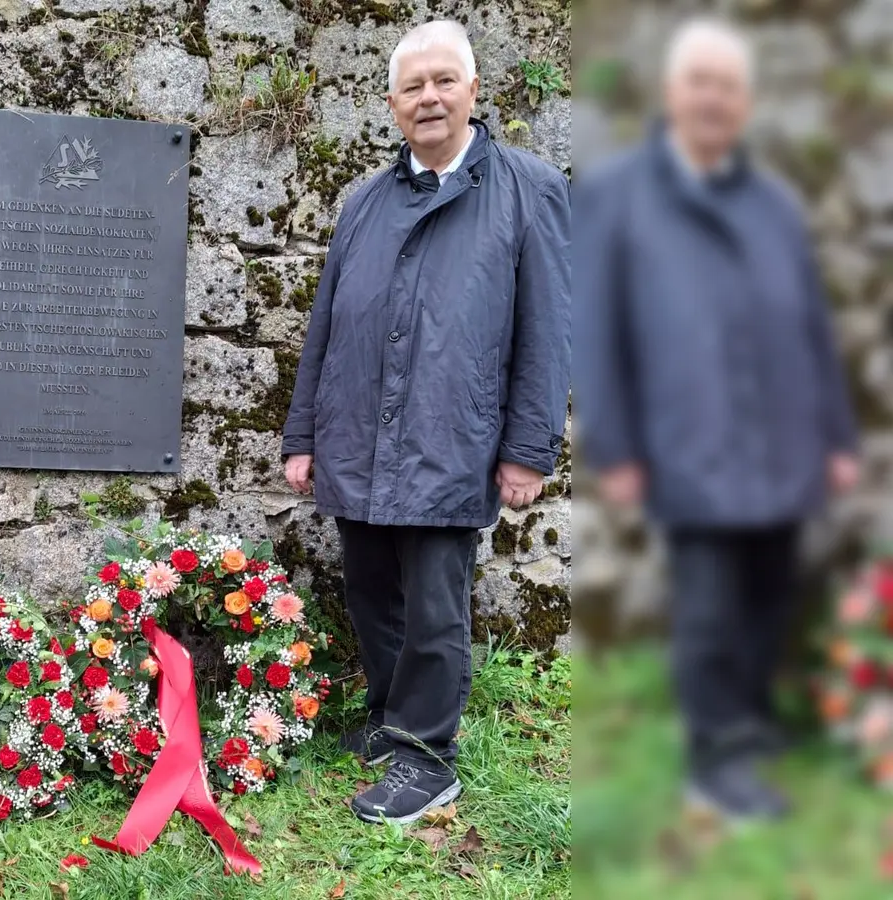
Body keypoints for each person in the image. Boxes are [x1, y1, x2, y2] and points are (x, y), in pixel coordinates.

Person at [281, 20, 571, 824]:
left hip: (453, 436)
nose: (430, 97)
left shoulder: (530, 189)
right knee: (372, 590)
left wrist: (527, 449)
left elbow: (549, 332)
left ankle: (427, 756)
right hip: (357, 435)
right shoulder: (366, 202)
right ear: (391, 104)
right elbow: (327, 327)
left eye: (445, 80)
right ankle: (388, 720)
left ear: (475, 90)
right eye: (413, 87)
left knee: (436, 608)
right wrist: (302, 435)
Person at [574, 18, 859, 822]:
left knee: (774, 591)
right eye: (700, 81)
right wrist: (618, 445)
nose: (713, 99)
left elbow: (813, 326)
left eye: (728, 86)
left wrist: (837, 436)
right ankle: (717, 760)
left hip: (786, 439)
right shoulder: (619, 195)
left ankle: (751, 722)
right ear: (672, 92)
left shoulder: (772, 203)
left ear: (745, 102)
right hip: (688, 444)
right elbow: (596, 331)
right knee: (707, 606)